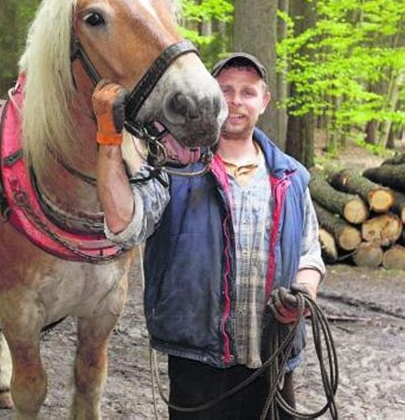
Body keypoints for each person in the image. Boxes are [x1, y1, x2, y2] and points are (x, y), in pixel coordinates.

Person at [94, 53, 325, 420]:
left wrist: (304, 293)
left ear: (264, 101)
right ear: (211, 98)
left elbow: (309, 253)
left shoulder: (292, 176)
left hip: (274, 356)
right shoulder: (176, 167)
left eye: (247, 92)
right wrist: (109, 141)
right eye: (226, 90)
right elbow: (125, 223)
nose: (236, 101)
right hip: (197, 362)